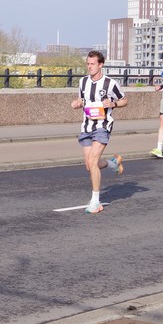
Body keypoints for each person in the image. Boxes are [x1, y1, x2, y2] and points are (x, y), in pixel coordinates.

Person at [69, 50, 127, 213]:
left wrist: (113, 104)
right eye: (88, 64)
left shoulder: (110, 83)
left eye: (93, 64)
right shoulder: (83, 82)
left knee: (93, 162)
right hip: (87, 126)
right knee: (89, 165)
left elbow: (124, 100)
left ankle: (95, 202)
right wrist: (76, 103)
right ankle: (113, 163)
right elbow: (81, 99)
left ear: (101, 65)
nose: (90, 67)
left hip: (103, 126)